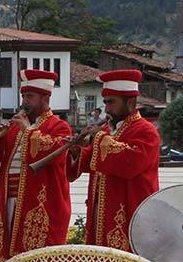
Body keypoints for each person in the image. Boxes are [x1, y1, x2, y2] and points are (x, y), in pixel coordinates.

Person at [0, 69, 72, 262]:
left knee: (37, 258)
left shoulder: (59, 126)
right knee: (12, 253)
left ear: (45, 98)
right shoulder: (15, 126)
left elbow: (56, 153)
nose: (25, 101)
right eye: (23, 95)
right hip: (10, 199)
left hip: (41, 203)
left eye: (30, 96)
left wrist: (29, 131)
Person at [67, 69, 160, 251]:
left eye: (112, 102)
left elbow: (130, 163)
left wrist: (98, 139)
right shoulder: (108, 132)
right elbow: (91, 160)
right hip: (100, 213)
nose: (107, 109)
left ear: (131, 102)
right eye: (105, 103)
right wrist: (75, 150)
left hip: (128, 215)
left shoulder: (146, 131)